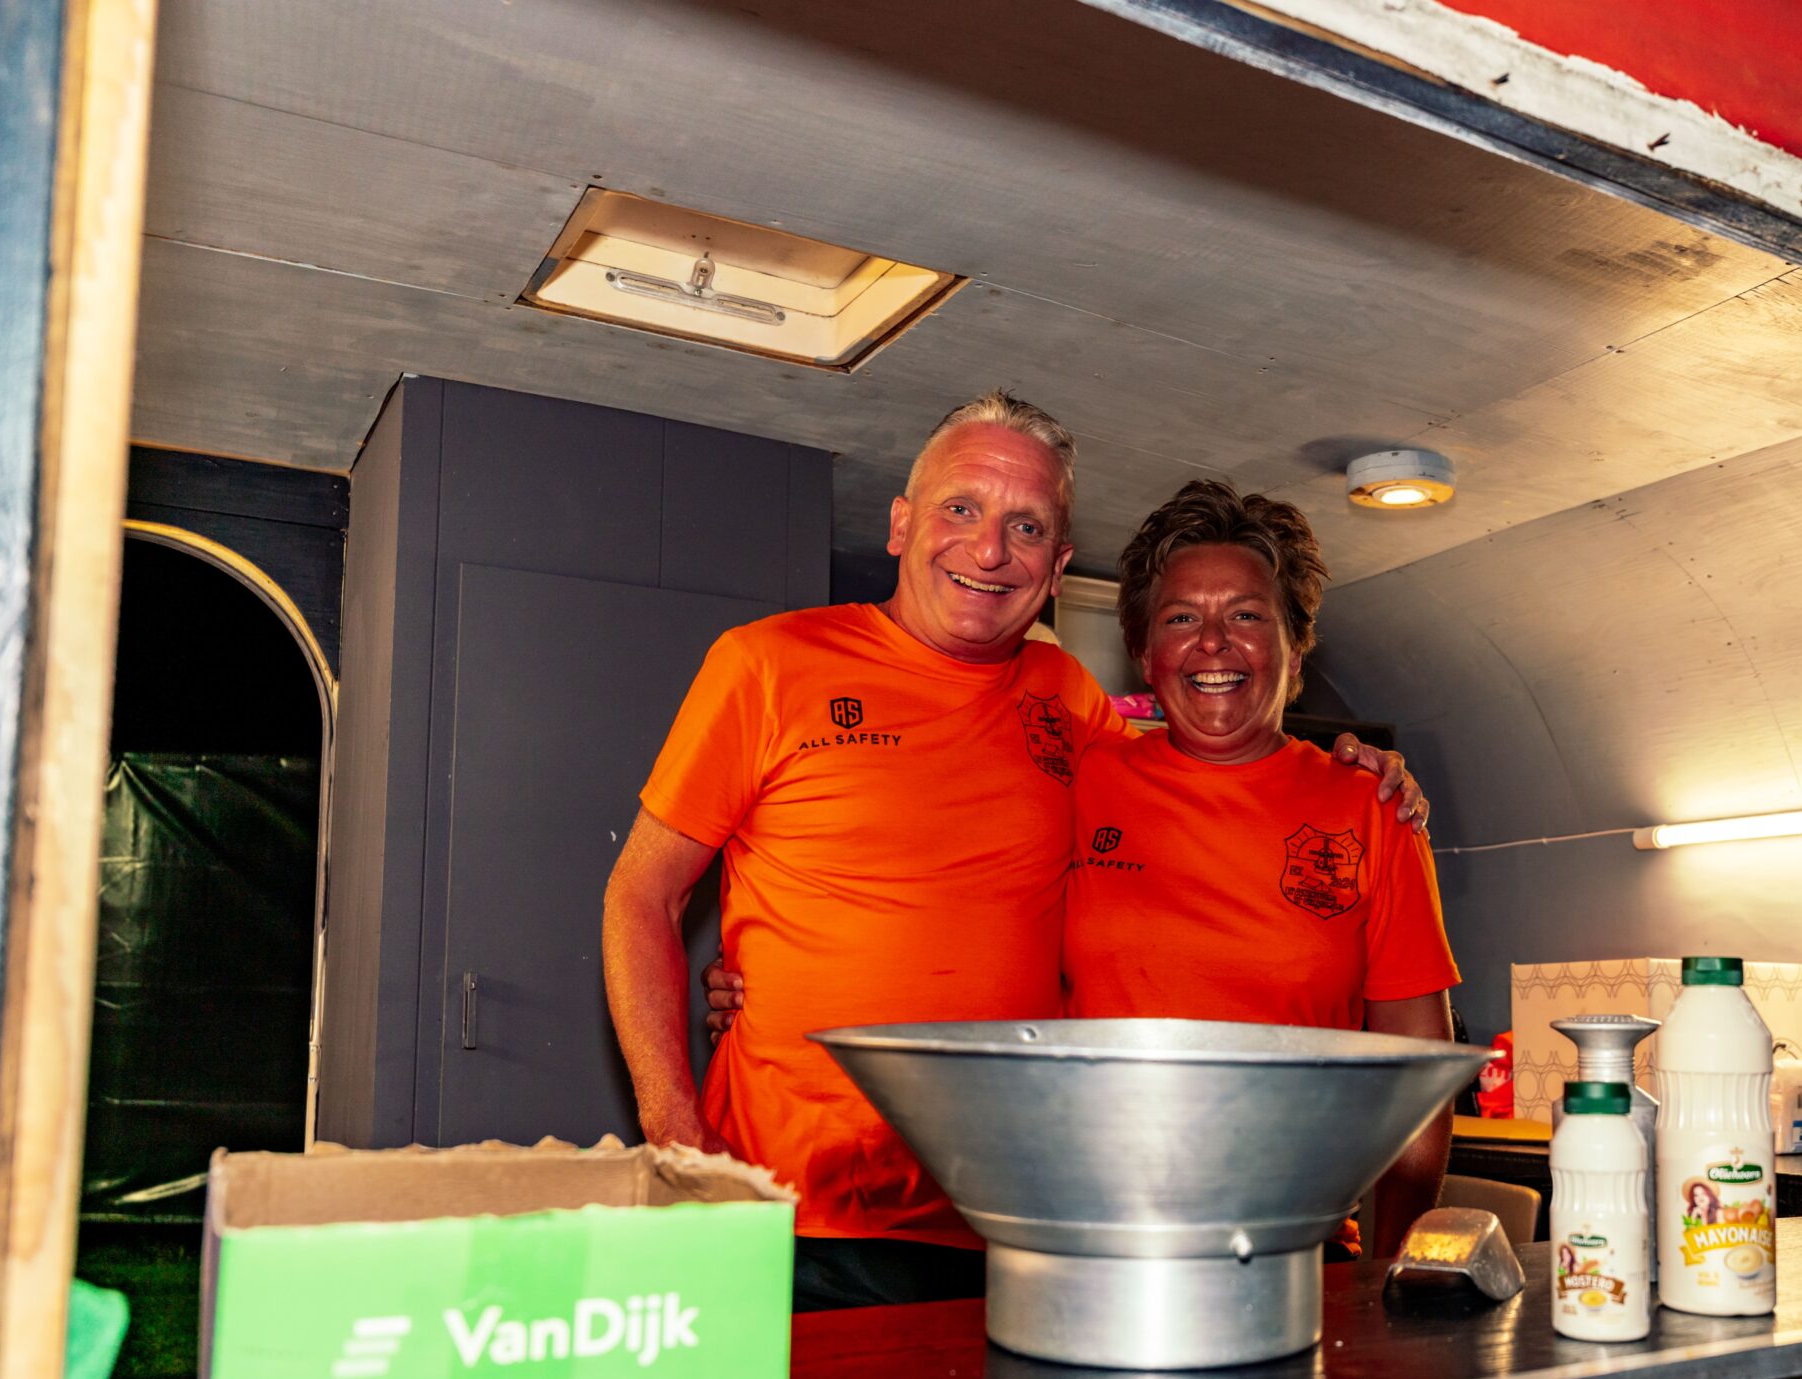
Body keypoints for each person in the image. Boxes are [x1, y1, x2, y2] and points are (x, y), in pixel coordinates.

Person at [604, 393, 1422, 1312]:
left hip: (1015, 1221)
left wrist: (1353, 767)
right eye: (961, 508)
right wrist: (674, 1127)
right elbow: (642, 895)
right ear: (901, 525)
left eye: (1025, 526)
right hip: (794, 1213)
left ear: (1057, 566)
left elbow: (1208, 763)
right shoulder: (765, 665)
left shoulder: (1069, 701)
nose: (989, 549)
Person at [1060, 480, 1461, 1257]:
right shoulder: (1077, 780)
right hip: (1097, 1239)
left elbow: (1418, 1075)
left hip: (1297, 1250)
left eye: (1245, 615)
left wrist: (1395, 1270)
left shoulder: (1371, 805)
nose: (1213, 642)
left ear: (1295, 646)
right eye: (1181, 618)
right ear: (1145, 653)